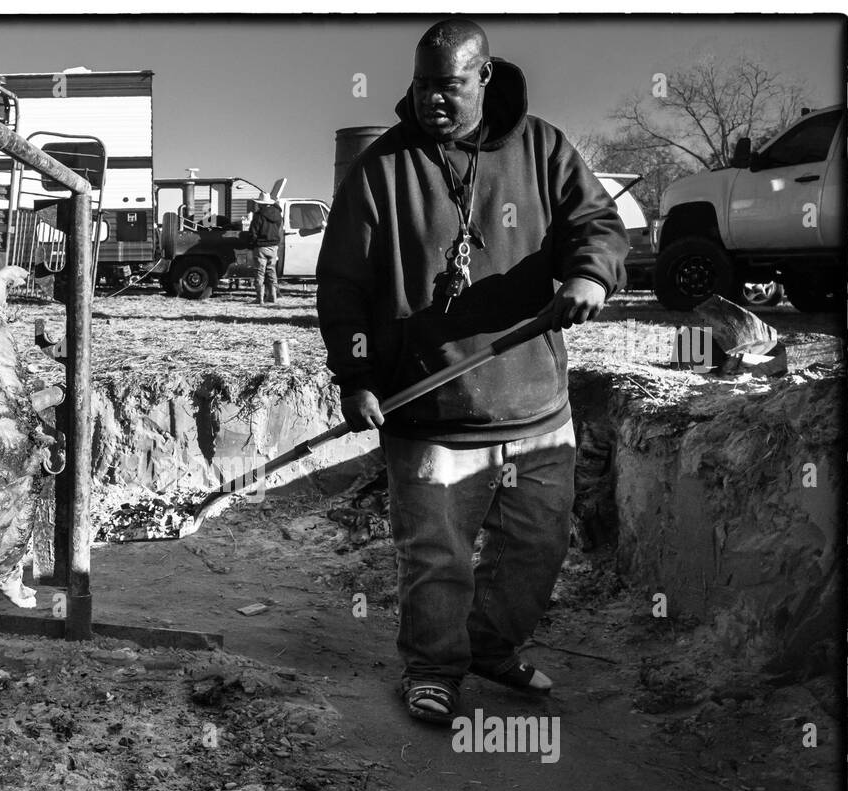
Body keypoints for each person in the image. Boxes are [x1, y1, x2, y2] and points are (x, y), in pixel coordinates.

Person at [317, 19, 628, 725]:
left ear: (484, 77)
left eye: (450, 85)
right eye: (424, 85)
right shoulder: (383, 169)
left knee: (537, 547)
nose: (433, 99)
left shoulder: (543, 148)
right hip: (426, 413)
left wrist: (590, 275)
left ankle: (490, 647)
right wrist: (357, 377)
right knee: (437, 557)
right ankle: (433, 667)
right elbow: (341, 288)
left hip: (535, 405)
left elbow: (599, 226)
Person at [248, 190, 283, 304]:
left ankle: (260, 299)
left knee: (260, 273)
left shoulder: (258, 216)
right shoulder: (278, 215)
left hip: (261, 247)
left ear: (261, 204)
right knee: (271, 271)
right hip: (273, 246)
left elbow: (253, 232)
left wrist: (251, 244)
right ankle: (273, 297)